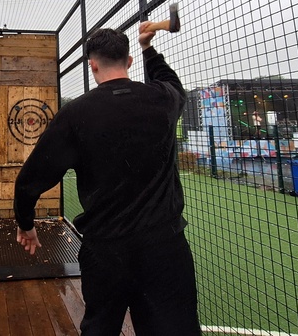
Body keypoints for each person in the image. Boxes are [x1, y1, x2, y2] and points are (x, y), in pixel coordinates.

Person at [13, 24, 201, 335]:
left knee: (100, 328)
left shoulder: (76, 114)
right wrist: (148, 47)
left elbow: (30, 180)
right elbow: (171, 82)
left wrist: (26, 223)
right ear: (128, 61)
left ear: (92, 64)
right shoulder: (163, 100)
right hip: (165, 248)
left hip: (105, 252)